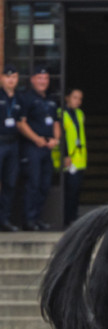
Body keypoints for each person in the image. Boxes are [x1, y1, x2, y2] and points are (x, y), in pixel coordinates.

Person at [16, 65, 60, 232]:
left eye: (46, 78)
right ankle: (29, 220)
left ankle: (38, 218)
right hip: (32, 148)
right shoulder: (26, 98)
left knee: (45, 184)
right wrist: (37, 139)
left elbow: (56, 122)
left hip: (47, 149)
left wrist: (55, 139)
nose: (43, 81)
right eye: (40, 78)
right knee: (32, 184)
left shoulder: (50, 99)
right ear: (33, 79)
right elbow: (21, 123)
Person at [0, 65, 23, 232]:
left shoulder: (19, 98)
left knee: (10, 182)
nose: (11, 80)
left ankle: (5, 219)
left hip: (13, 144)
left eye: (14, 77)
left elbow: (22, 122)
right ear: (2, 79)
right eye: (8, 77)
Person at [59, 88, 86, 227]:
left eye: (80, 98)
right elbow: (61, 136)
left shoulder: (80, 114)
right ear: (67, 98)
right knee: (68, 192)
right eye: (75, 97)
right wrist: (64, 155)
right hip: (68, 159)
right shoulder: (61, 114)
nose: (77, 101)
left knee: (75, 192)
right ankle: (65, 219)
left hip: (79, 160)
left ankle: (73, 218)